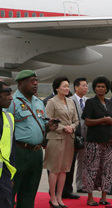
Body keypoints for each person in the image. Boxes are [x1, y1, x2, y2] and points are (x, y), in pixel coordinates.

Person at [8, 69, 59, 208]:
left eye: (36, 81)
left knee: (30, 192)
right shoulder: (12, 102)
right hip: (19, 152)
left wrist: (48, 126)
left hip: (36, 153)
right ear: (20, 84)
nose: (35, 83)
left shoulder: (38, 102)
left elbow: (40, 123)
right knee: (11, 191)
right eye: (31, 81)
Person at [81, 75, 112, 206]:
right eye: (98, 86)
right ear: (94, 88)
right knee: (91, 169)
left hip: (109, 141)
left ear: (107, 88)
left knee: (107, 169)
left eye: (103, 86)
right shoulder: (91, 102)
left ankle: (104, 197)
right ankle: (90, 197)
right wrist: (103, 120)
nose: (100, 89)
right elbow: (87, 121)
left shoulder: (110, 103)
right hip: (94, 141)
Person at [44, 76, 79, 208]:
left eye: (67, 86)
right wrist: (63, 127)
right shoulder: (51, 102)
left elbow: (76, 120)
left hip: (69, 139)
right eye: (64, 86)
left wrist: (73, 127)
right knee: (54, 169)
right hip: (56, 138)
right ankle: (52, 197)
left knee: (64, 169)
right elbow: (47, 122)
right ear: (57, 88)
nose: (66, 88)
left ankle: (60, 197)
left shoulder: (70, 102)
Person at [0, 81, 15, 208]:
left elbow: (12, 148)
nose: (11, 97)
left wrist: (11, 176)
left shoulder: (9, 118)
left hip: (4, 175)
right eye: (7, 94)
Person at [72, 77, 88, 193]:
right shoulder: (70, 100)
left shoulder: (89, 101)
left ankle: (81, 185)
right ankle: (67, 186)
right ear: (76, 87)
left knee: (83, 161)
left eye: (87, 86)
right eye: (83, 85)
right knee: (71, 162)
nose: (85, 88)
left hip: (86, 136)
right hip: (73, 135)